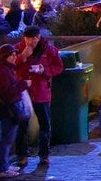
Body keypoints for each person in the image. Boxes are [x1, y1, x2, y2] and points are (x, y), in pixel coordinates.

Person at [13, 26, 64, 169]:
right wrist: (22, 56)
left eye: (32, 38)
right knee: (22, 125)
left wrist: (44, 71)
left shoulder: (49, 50)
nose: (30, 41)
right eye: (27, 38)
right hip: (23, 92)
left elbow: (59, 67)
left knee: (45, 124)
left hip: (41, 92)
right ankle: (22, 155)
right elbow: (9, 66)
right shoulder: (17, 49)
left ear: (38, 37)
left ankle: (44, 155)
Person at [0, 43, 29, 179]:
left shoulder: (5, 69)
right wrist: (23, 85)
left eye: (15, 54)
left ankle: (5, 165)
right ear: (5, 57)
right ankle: (2, 169)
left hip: (8, 110)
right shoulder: (0, 72)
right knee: (6, 140)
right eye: (12, 55)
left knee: (8, 138)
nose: (14, 57)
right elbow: (8, 93)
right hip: (7, 110)